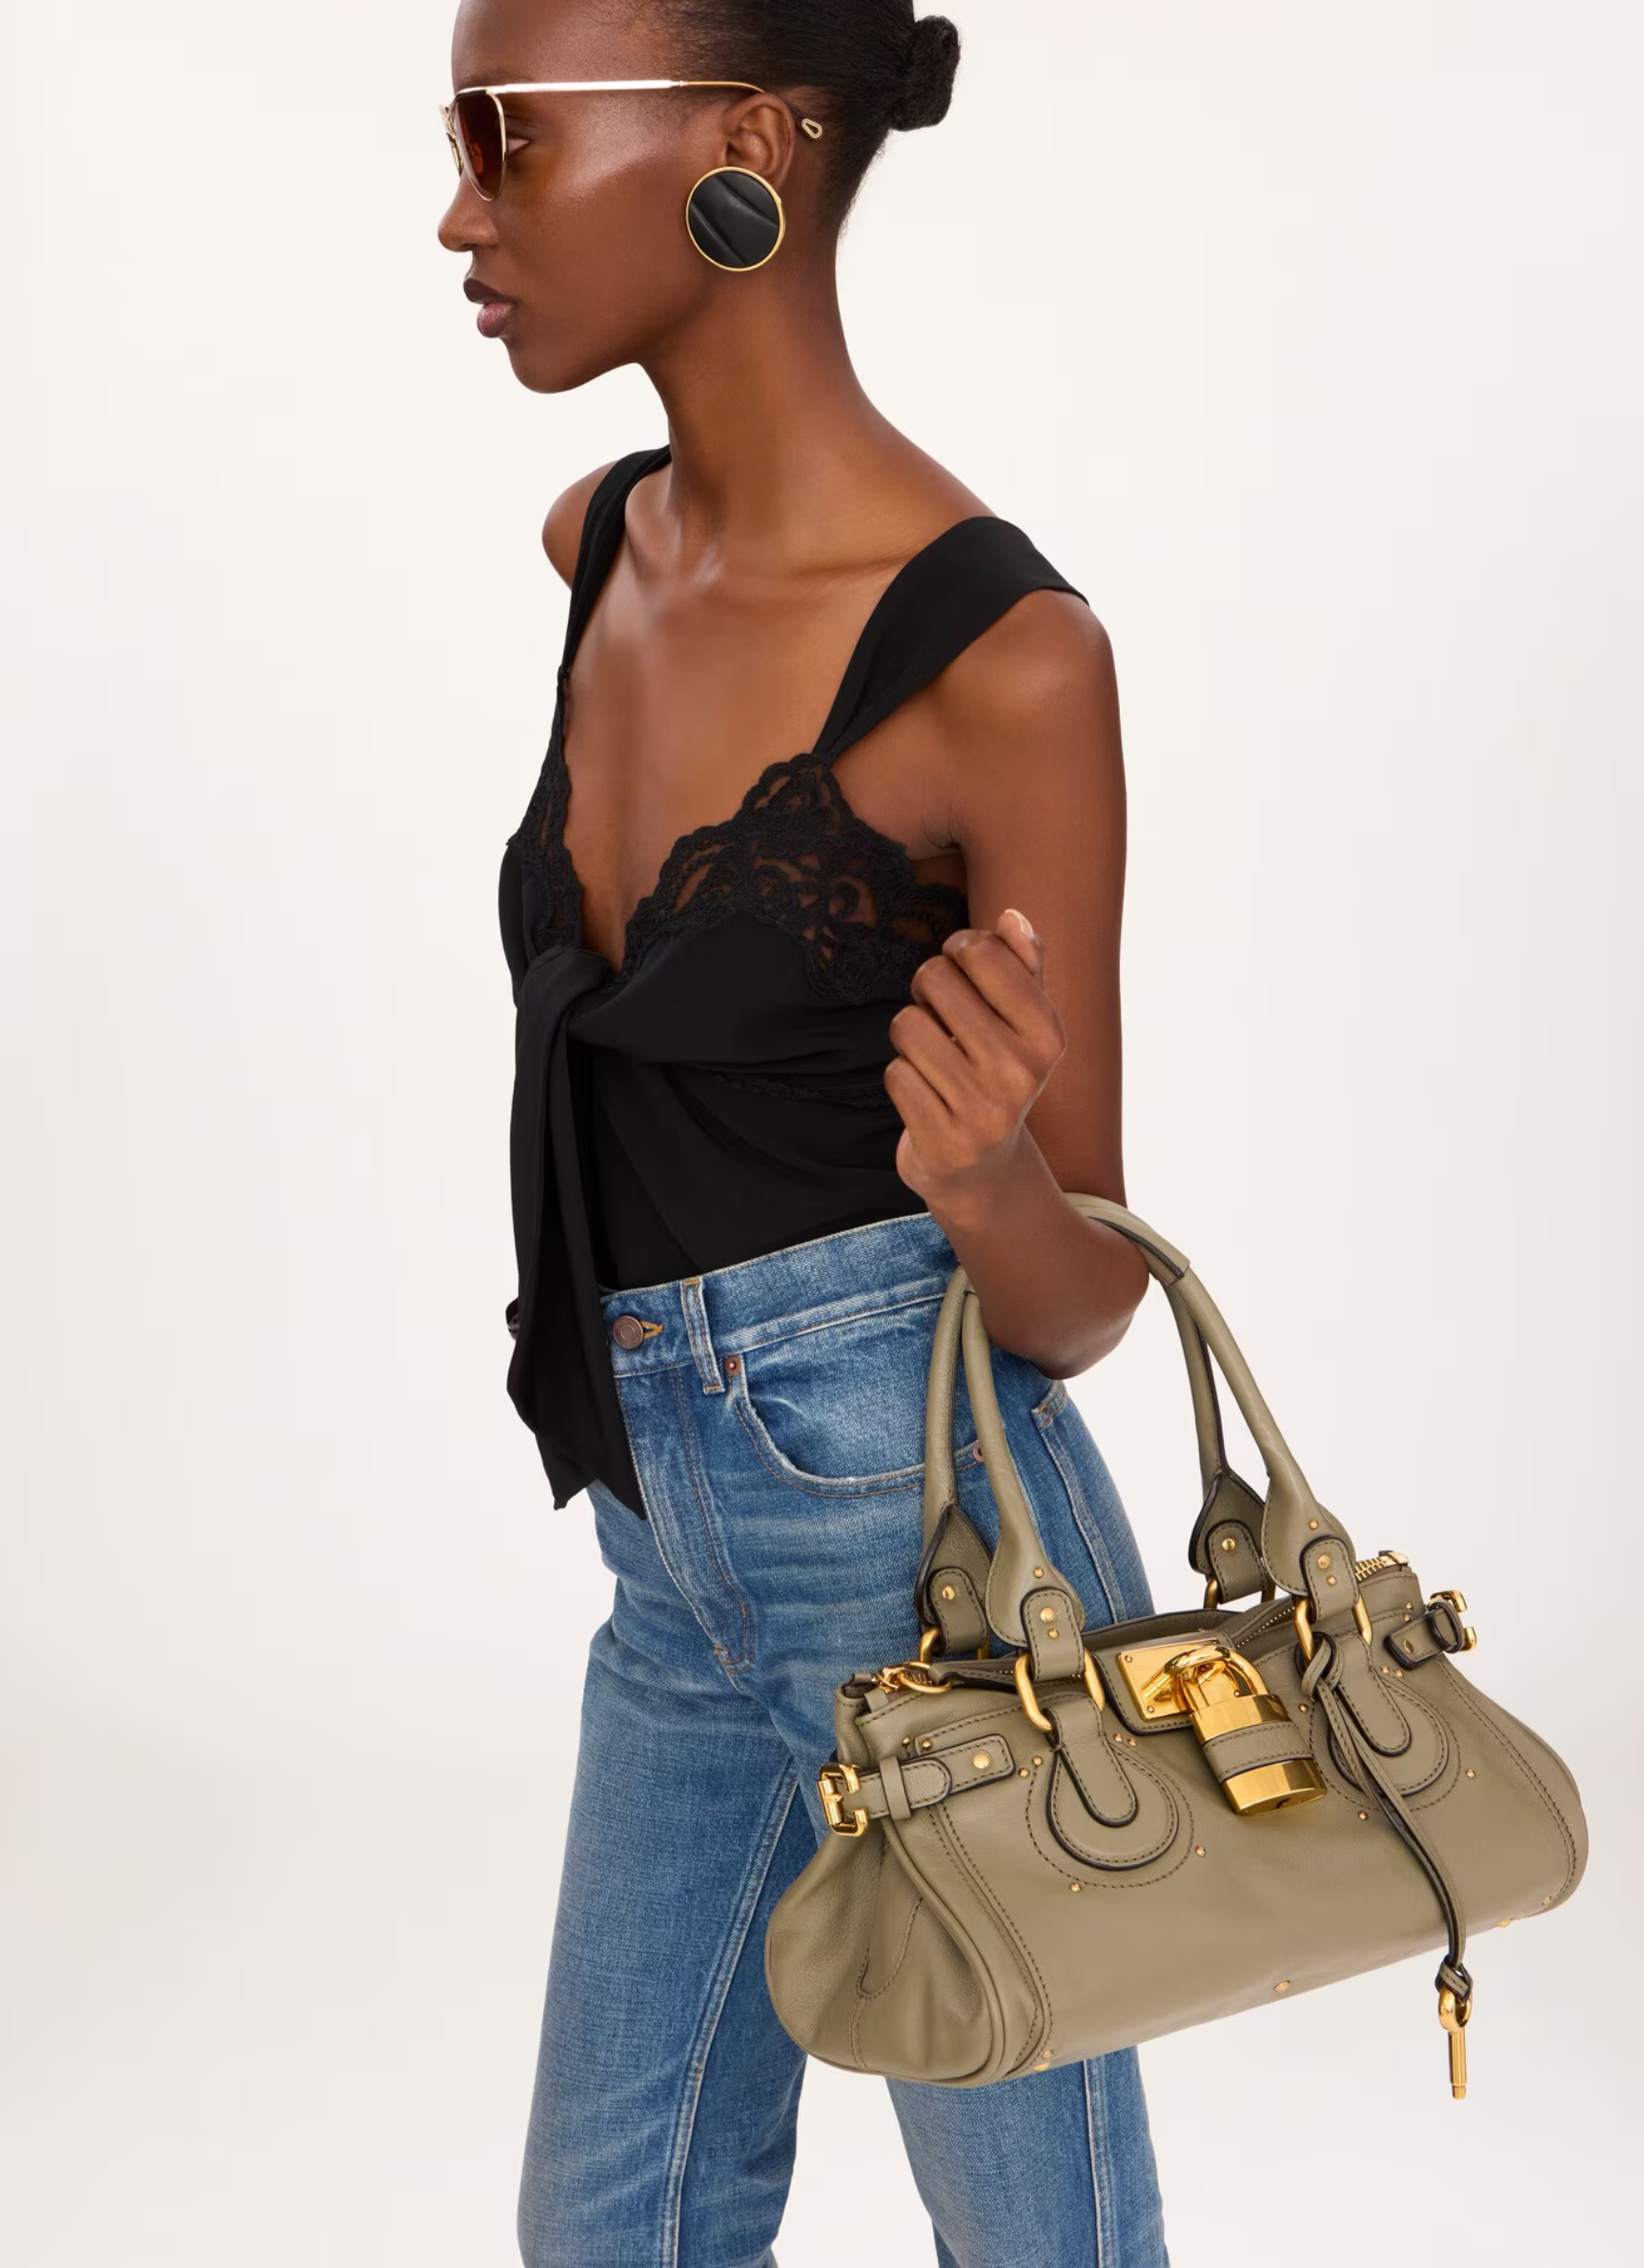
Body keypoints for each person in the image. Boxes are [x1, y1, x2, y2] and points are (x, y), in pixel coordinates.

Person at [438, 4, 1171, 2260]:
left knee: (1037, 2237)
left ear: (745, 140)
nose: (458, 213)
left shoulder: (1001, 658)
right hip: (667, 1540)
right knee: (611, 2223)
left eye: (502, 136)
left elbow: (1087, 1292)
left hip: (931, 1557)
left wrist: (984, 1180)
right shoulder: (597, 546)